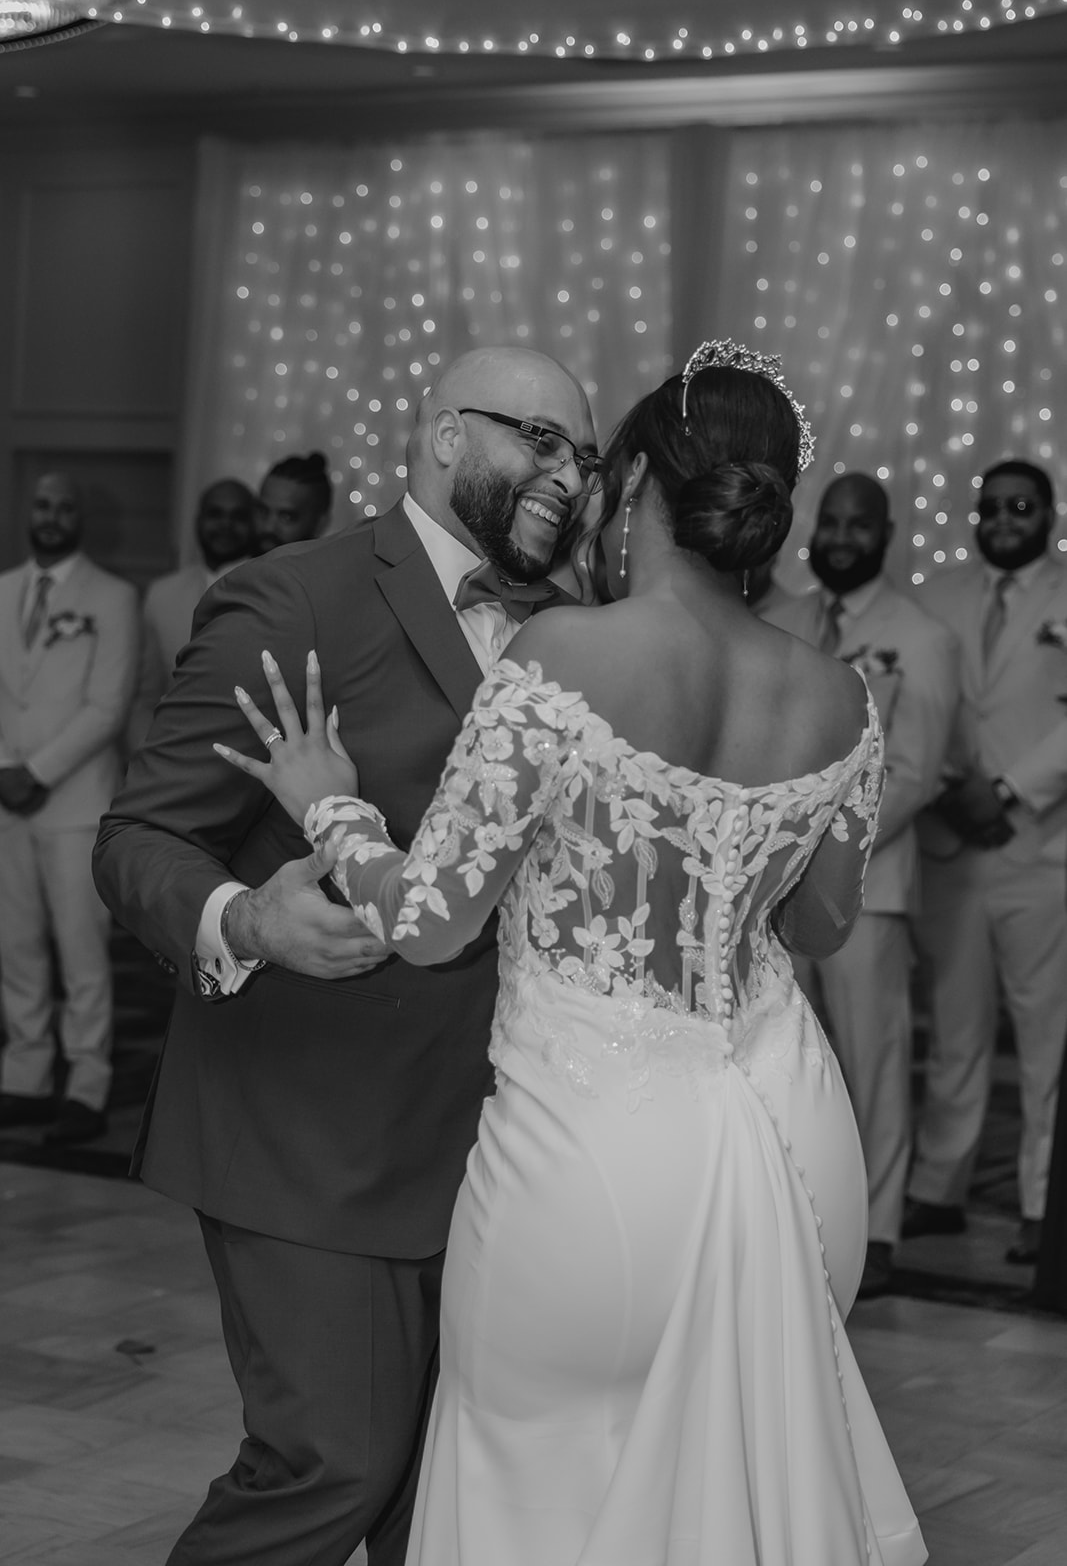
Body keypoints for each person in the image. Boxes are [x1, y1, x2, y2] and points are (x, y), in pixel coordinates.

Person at [220, 342, 926, 1566]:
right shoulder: (841, 697)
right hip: (791, 1141)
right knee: (713, 1506)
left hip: (595, 1151)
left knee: (533, 1487)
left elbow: (432, 917)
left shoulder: (563, 661)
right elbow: (817, 925)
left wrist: (332, 805)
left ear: (636, 480)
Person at [91, 346, 600, 1566]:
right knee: (331, 1465)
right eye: (537, 439)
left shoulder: (583, 629)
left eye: (580, 455)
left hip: (508, 1140)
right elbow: (141, 834)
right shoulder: (294, 595)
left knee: (446, 1493)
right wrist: (248, 920)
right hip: (311, 1131)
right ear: (439, 436)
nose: (564, 475)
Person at [763, 473, 960, 1298]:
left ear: (884, 534)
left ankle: (876, 1229)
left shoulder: (919, 636)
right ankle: (790, 1216)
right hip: (770, 889)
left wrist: (822, 842)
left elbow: (914, 773)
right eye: (830, 523)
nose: (840, 538)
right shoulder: (782, 621)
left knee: (871, 1062)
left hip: (868, 887)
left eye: (858, 525)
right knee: (781, 1056)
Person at [909, 459, 1067, 1266]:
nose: (1003, 518)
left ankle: (1045, 1203)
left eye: (1020, 506)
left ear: (1045, 513)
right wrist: (946, 789)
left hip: (1039, 847)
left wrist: (1005, 791)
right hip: (952, 844)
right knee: (955, 1025)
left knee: (1046, 1034)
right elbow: (914, 706)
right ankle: (939, 1188)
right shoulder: (934, 597)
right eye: (990, 507)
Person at [0, 472, 138, 1144]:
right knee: (15, 948)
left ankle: (87, 1081)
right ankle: (24, 1074)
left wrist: (38, 772)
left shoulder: (112, 598)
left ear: (81, 518)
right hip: (7, 804)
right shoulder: (0, 592)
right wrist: (6, 771)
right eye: (42, 504)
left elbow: (108, 707)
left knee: (81, 952)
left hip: (75, 800)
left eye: (63, 506)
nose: (51, 515)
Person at [128, 478, 254, 749]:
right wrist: (144, 751)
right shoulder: (161, 593)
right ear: (198, 521)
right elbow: (146, 692)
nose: (225, 525)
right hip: (172, 750)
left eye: (238, 516)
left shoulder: (271, 588)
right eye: (215, 514)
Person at [253, 449, 334, 554]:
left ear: (320, 524)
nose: (268, 528)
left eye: (286, 518)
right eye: (263, 512)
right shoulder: (232, 570)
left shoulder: (333, 570)